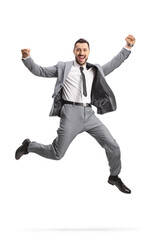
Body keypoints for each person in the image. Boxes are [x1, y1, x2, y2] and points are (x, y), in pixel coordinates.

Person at [15, 35, 136, 194]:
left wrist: (127, 47)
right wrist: (27, 58)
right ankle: (29, 146)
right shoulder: (63, 67)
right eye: (78, 49)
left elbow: (114, 63)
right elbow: (40, 71)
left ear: (88, 52)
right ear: (74, 51)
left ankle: (114, 177)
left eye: (84, 50)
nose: (81, 52)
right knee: (57, 154)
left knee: (113, 145)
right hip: (70, 114)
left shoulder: (95, 69)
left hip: (89, 114)